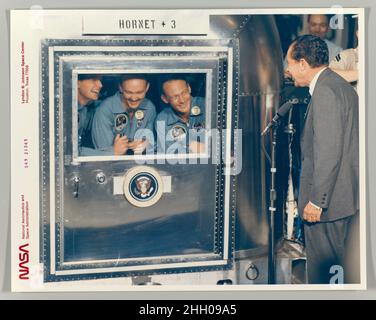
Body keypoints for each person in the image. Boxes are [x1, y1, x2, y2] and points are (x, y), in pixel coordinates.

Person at [285, 35, 359, 284]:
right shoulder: (341, 86)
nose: (288, 70)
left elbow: (329, 151)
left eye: (290, 64)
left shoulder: (325, 91)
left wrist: (317, 201)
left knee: (323, 274)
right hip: (343, 199)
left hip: (328, 204)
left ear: (303, 63)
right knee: (337, 271)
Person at [92, 75, 156, 155]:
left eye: (139, 92)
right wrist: (115, 150)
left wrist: (145, 145)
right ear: (121, 88)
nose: (134, 98)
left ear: (147, 88)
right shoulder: (104, 110)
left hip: (141, 163)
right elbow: (102, 153)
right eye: (129, 92)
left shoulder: (150, 108)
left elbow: (152, 142)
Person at [155, 77, 206, 154]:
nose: (182, 100)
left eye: (184, 93)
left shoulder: (207, 106)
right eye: (175, 97)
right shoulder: (162, 119)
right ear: (165, 99)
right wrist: (191, 146)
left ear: (189, 88)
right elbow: (169, 155)